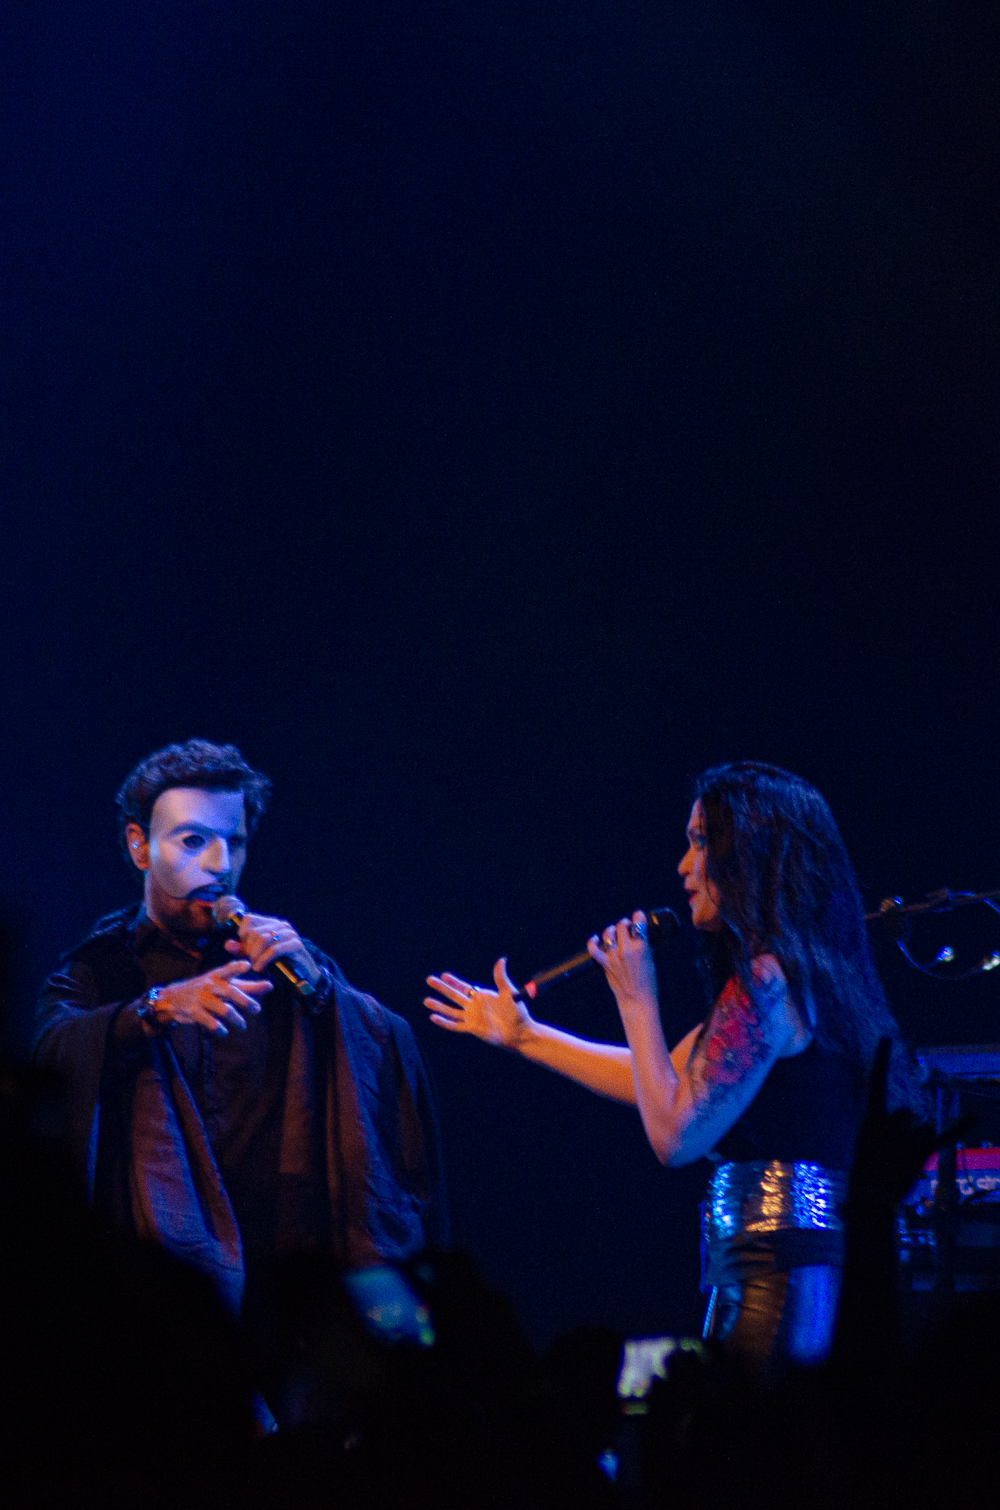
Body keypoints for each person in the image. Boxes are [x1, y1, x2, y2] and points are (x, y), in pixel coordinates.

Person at [425, 761, 924, 1370]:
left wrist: (636, 998)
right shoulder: (793, 974)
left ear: (750, 855)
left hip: (777, 1276)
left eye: (700, 842)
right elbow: (661, 1078)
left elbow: (674, 1134)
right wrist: (525, 1036)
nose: (684, 866)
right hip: (775, 1269)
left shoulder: (767, 982)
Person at [33, 739, 447, 1411]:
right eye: (193, 841)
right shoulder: (98, 966)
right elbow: (51, 1056)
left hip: (285, 1260)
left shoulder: (284, 959)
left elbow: (380, 1066)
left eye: (235, 842)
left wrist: (322, 994)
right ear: (140, 846)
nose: (219, 865)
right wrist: (154, 1009)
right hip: (164, 1276)